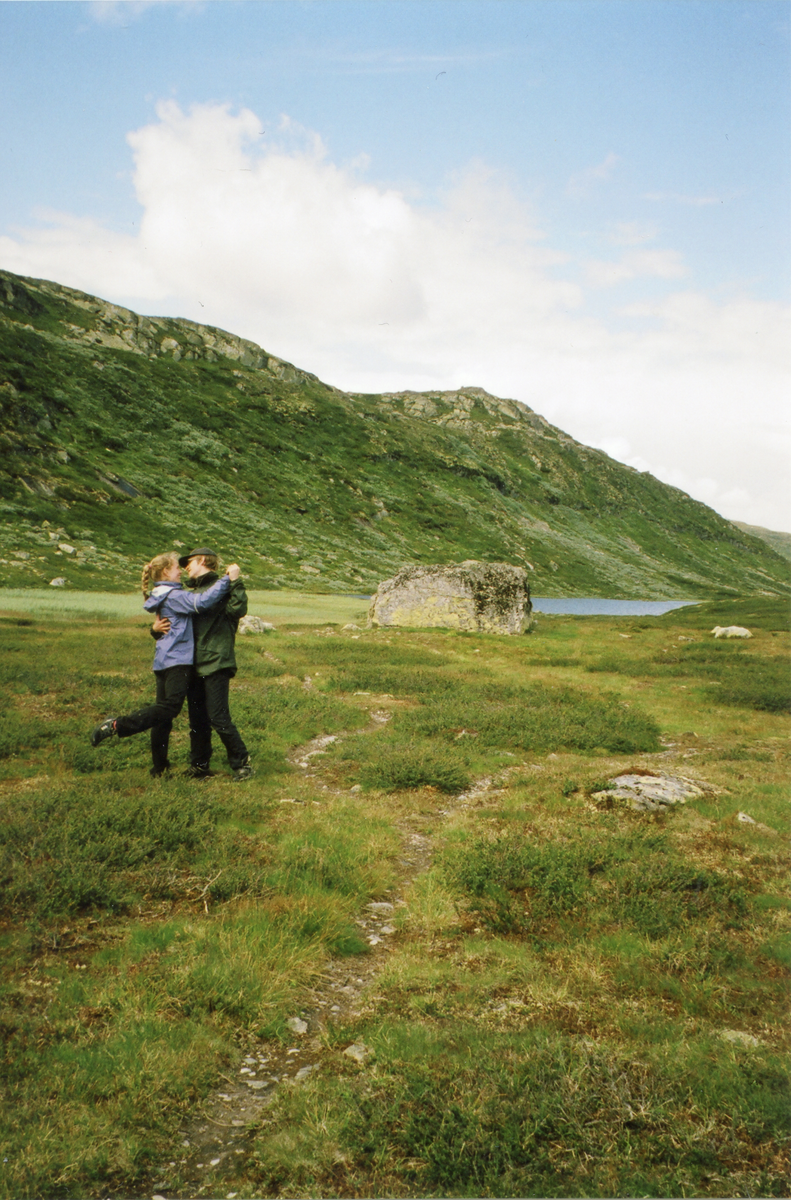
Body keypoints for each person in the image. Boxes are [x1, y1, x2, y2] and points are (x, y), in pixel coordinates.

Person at [90, 551, 239, 777]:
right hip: (177, 662)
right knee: (169, 708)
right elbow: (202, 601)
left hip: (162, 661)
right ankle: (117, 726)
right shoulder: (174, 596)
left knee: (163, 716)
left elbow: (169, 625)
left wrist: (153, 630)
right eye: (176, 568)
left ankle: (159, 768)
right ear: (166, 572)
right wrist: (229, 579)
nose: (181, 570)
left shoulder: (161, 594)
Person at [153, 547, 252, 782]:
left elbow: (239, 609)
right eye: (183, 563)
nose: (186, 566)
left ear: (204, 561)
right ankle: (199, 765)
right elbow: (171, 625)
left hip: (216, 661)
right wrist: (153, 630)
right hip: (192, 663)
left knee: (218, 716)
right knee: (197, 719)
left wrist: (236, 582)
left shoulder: (223, 586)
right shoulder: (189, 594)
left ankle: (242, 764)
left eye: (190, 561)